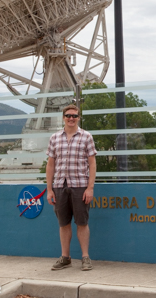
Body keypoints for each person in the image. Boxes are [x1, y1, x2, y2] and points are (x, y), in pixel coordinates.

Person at [46, 104, 97, 271]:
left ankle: (85, 257)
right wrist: (49, 189)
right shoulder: (54, 138)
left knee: (82, 222)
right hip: (60, 185)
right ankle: (65, 257)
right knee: (63, 223)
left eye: (74, 116)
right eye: (68, 115)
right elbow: (50, 164)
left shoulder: (86, 137)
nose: (71, 118)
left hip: (80, 185)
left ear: (78, 118)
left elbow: (92, 163)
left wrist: (90, 188)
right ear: (63, 117)